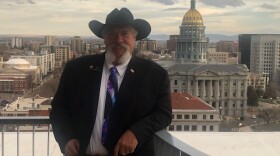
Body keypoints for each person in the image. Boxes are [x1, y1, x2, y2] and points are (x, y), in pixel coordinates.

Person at [50, 7, 172, 156]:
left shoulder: (155, 75)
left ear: (135, 39)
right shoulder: (76, 69)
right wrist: (66, 138)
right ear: (105, 38)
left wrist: (136, 132)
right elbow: (59, 108)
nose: (119, 40)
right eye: (112, 33)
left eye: (125, 33)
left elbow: (164, 114)